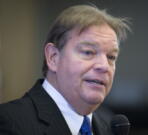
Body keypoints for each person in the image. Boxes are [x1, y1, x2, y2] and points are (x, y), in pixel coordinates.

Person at [0, 4, 130, 135]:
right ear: (53, 58)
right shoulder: (10, 123)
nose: (104, 66)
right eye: (88, 52)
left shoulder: (109, 123)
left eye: (111, 57)